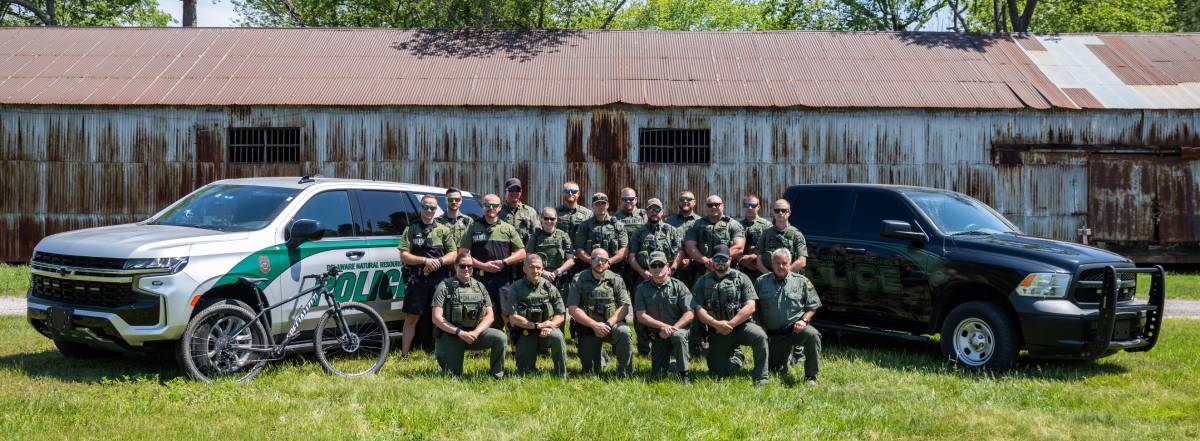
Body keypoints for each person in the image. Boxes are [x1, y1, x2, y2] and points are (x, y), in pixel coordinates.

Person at [691, 244, 769, 385]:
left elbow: (751, 306)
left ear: (730, 259)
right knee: (718, 371)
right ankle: (737, 358)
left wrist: (732, 324)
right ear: (712, 260)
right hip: (718, 330)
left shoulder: (742, 278)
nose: (721, 262)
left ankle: (761, 378)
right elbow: (698, 309)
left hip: (741, 325)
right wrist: (717, 324)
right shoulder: (702, 281)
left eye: (724, 258)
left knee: (760, 337)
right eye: (717, 258)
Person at [398, 194, 457, 356]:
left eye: (433, 208)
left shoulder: (443, 230)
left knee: (439, 317)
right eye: (426, 207)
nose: (429, 210)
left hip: (439, 280)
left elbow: (453, 254)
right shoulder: (411, 229)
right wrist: (425, 261)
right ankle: (404, 354)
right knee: (412, 317)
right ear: (421, 208)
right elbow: (404, 256)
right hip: (417, 279)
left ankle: (439, 352)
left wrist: (438, 261)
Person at [431, 254, 508, 379]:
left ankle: (496, 376)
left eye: (470, 266)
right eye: (462, 266)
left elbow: (490, 316)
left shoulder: (479, 286)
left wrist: (476, 332)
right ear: (455, 267)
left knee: (500, 337)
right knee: (452, 376)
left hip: (474, 334)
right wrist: (459, 332)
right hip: (452, 335)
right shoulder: (444, 286)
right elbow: (436, 318)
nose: (466, 269)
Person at [457, 194, 527, 329]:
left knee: (507, 314)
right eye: (487, 205)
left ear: (500, 207)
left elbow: (522, 253)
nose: (491, 208)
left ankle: (514, 347)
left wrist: (504, 262)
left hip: (503, 279)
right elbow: (463, 253)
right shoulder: (473, 227)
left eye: (494, 205)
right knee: (478, 312)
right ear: (483, 207)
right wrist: (483, 266)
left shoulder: (507, 228)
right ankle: (476, 347)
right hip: (480, 278)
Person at [755, 248, 822, 386]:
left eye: (784, 263)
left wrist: (804, 320)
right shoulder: (761, 282)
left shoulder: (802, 281)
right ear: (772, 264)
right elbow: (755, 307)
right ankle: (787, 358)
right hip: (774, 335)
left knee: (813, 335)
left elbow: (813, 305)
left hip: (794, 329)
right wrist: (760, 325)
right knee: (776, 370)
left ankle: (811, 377)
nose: (781, 266)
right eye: (777, 263)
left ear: (790, 263)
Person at [627, 197, 680, 356]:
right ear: (646, 212)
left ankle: (669, 342)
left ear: (662, 212)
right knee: (641, 312)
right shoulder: (639, 232)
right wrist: (643, 273)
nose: (654, 212)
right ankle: (643, 348)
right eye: (651, 209)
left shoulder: (670, 230)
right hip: (644, 277)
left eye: (657, 209)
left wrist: (671, 268)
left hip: (667, 277)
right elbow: (631, 256)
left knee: (669, 309)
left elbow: (679, 252)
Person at [568, 248, 633, 376]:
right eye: (596, 259)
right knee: (591, 371)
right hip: (588, 329)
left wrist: (608, 324)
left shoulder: (616, 279)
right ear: (590, 261)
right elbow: (572, 308)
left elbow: (624, 307)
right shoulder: (579, 278)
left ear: (608, 262)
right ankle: (601, 357)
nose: (600, 262)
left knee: (625, 332)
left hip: (611, 326)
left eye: (604, 260)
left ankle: (624, 372)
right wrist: (594, 325)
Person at [634, 251, 694, 383]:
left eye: (660, 265)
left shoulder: (678, 286)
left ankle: (684, 375)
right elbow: (641, 316)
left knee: (678, 337)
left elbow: (690, 313)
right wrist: (663, 327)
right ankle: (673, 364)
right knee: (658, 375)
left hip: (678, 330)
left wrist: (673, 328)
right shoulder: (642, 289)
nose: (657, 269)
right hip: (659, 334)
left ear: (667, 266)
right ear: (649, 268)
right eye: (653, 266)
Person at [504, 255, 568, 377]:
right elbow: (513, 318)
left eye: (538, 268)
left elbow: (560, 315)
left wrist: (550, 325)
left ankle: (561, 374)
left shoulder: (550, 288)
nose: (535, 271)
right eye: (531, 267)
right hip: (525, 332)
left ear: (542, 269)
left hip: (546, 331)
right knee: (526, 373)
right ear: (524, 269)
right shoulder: (516, 288)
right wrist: (537, 326)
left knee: (558, 337)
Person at [573, 192, 628, 271]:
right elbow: (579, 249)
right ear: (592, 206)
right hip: (590, 268)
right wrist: (591, 261)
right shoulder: (584, 226)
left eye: (603, 204)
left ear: (608, 205)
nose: (601, 206)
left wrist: (609, 262)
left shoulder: (618, 225)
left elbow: (624, 249)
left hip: (614, 268)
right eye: (597, 204)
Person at [526, 207, 576, 294]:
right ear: (541, 219)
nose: (549, 221)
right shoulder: (535, 236)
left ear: (556, 219)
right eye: (546, 218)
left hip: (560, 278)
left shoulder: (563, 235)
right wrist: (543, 272)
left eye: (552, 219)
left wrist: (557, 272)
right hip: (539, 277)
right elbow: (528, 258)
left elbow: (571, 260)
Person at [753, 199, 808, 274]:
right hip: (769, 277)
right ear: (773, 213)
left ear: (789, 213)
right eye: (777, 210)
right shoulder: (766, 233)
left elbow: (802, 261)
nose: (780, 213)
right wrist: (771, 277)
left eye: (783, 210)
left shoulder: (797, 234)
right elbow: (759, 261)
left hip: (790, 278)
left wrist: (783, 275)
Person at [664, 191, 702, 287]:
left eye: (689, 199)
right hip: (674, 267)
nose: (685, 201)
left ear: (694, 202)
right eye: (682, 199)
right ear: (678, 202)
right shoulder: (668, 222)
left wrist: (692, 259)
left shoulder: (701, 222)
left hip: (696, 267)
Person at [737, 194, 771, 281]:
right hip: (740, 268)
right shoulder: (736, 225)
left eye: (753, 205)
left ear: (758, 207)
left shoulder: (767, 226)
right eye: (747, 205)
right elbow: (731, 245)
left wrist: (754, 256)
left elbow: (772, 247)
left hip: (760, 269)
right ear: (743, 207)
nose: (750, 208)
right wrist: (742, 260)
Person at [499, 177, 538, 243]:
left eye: (517, 190)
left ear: (521, 192)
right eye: (511, 189)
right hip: (503, 250)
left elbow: (537, 233)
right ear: (506, 191)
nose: (514, 192)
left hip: (524, 251)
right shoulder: (498, 211)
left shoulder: (530, 212)